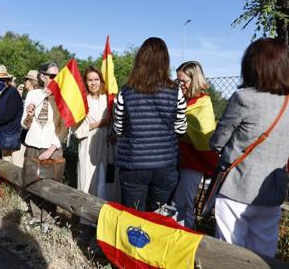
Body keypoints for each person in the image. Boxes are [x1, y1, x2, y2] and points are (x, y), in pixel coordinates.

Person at [210, 38, 289, 257]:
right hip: (272, 190)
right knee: (263, 252)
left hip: (237, 184)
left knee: (228, 251)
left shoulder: (244, 98)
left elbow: (218, 140)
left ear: (252, 65)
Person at [113, 37, 187, 212]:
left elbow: (117, 127)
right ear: (165, 61)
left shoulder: (126, 91)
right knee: (159, 219)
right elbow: (181, 128)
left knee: (133, 218)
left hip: (133, 163)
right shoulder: (176, 92)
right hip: (166, 163)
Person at [171, 61, 219, 228]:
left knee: (184, 202)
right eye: (178, 81)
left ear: (195, 79)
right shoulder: (180, 99)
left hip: (193, 160)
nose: (180, 85)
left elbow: (204, 133)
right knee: (174, 201)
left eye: (183, 81)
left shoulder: (203, 102)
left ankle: (187, 236)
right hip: (176, 158)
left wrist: (179, 124)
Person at [21, 61, 68, 222]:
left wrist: (50, 149)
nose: (56, 79)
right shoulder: (33, 95)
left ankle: (48, 220)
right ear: (43, 76)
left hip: (52, 149)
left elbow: (64, 128)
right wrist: (29, 115)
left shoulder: (63, 97)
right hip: (33, 145)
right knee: (32, 183)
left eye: (58, 76)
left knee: (50, 188)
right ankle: (35, 217)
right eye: (52, 76)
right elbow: (24, 125)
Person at [74, 66, 112, 200]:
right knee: (87, 181)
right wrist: (100, 123)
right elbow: (77, 131)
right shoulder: (82, 102)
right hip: (88, 146)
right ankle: (86, 219)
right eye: (90, 80)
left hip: (108, 147)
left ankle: (105, 216)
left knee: (106, 182)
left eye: (96, 79)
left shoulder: (108, 99)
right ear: (85, 82)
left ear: (101, 81)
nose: (94, 83)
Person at [12, 69, 40, 167]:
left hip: (26, 135)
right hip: (31, 136)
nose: (25, 82)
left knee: (17, 163)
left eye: (26, 80)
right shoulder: (40, 95)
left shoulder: (32, 95)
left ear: (32, 82)